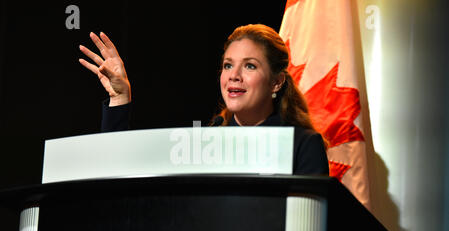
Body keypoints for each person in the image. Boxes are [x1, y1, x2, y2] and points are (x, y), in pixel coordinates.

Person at [79, 24, 329, 175]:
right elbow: (120, 171)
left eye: (250, 66)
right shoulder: (204, 142)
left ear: (276, 81)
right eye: (228, 65)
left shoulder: (303, 145)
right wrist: (120, 98)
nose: (234, 76)